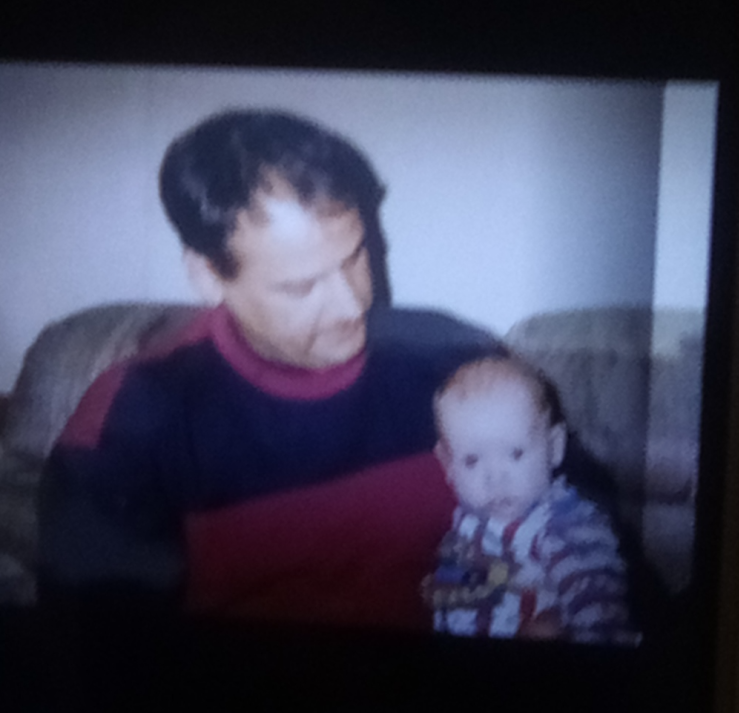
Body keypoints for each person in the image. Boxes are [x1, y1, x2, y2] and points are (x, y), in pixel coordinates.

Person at [36, 109, 497, 630]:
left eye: (355, 257)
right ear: (208, 276)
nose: (352, 305)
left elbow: (560, 545)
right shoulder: (132, 422)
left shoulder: (460, 361)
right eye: (301, 286)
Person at [422, 355, 638, 644]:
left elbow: (600, 609)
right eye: (472, 460)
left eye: (516, 454)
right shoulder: (466, 527)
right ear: (447, 465)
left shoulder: (567, 527)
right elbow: (456, 594)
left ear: (554, 447)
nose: (495, 479)